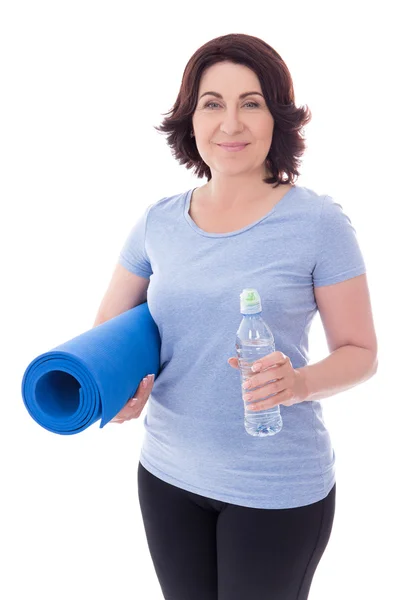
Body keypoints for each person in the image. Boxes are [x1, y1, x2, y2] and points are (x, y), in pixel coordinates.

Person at [93, 33, 378, 600]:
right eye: (212, 103)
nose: (231, 123)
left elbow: (361, 353)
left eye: (251, 102)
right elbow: (107, 331)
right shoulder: (158, 222)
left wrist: (297, 384)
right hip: (168, 476)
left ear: (277, 117)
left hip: (276, 489)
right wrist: (119, 387)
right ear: (190, 119)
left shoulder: (318, 223)